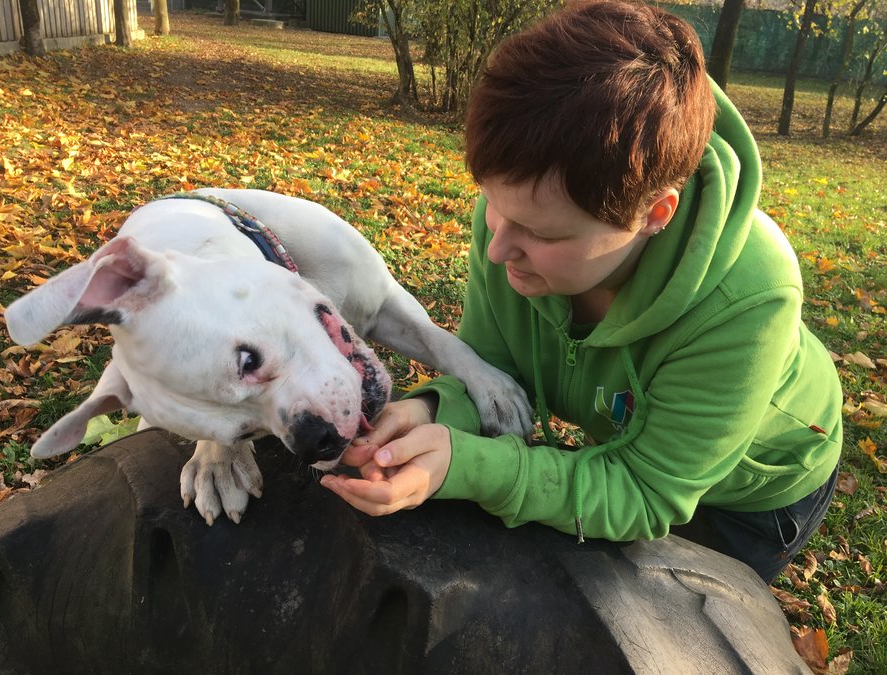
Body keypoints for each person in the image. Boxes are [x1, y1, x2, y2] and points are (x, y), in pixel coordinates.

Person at [319, 0, 842, 584]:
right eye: (491, 203)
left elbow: (645, 491)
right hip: (632, 456)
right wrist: (430, 411)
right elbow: (493, 368)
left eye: (543, 235)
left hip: (753, 497)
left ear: (655, 213)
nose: (498, 248)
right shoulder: (520, 213)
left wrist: (471, 467)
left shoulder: (750, 298)